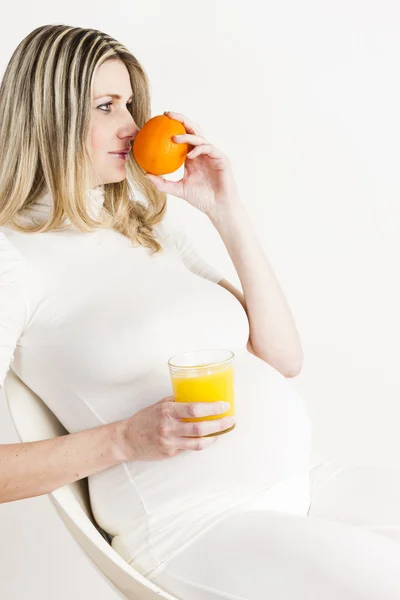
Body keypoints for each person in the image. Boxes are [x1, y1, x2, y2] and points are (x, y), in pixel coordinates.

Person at [0, 24, 400, 600]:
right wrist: (124, 440)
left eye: (131, 104)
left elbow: (282, 357)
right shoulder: (15, 256)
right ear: (47, 115)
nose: (132, 126)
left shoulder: (144, 224)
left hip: (298, 488)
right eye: (106, 106)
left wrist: (225, 210)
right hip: (199, 528)